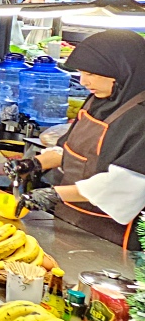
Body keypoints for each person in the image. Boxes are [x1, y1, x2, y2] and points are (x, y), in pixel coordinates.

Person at [10, 31, 145, 248]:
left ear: (122, 70)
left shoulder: (140, 117)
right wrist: (34, 163)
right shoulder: (97, 100)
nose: (83, 81)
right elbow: (71, 150)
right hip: (68, 219)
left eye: (91, 73)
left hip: (111, 237)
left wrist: (54, 194)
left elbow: (125, 186)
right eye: (81, 73)